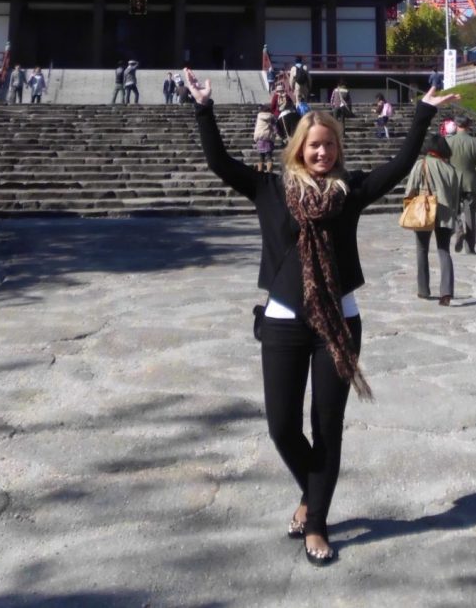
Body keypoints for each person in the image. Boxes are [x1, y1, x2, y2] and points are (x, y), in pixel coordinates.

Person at [188, 66, 459, 567]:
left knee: (327, 425)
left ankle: (316, 523)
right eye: (312, 146)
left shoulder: (349, 192)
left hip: (338, 320)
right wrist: (204, 108)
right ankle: (312, 493)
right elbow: (219, 162)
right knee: (282, 426)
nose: (320, 153)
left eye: (328, 147)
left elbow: (399, 166)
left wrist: (422, 112)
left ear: (337, 150)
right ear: (297, 148)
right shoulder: (269, 189)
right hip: (284, 320)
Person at [405, 134, 460, 305]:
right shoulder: (450, 169)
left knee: (422, 250)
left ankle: (423, 289)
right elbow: (455, 197)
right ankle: (446, 291)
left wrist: (408, 205)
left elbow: (410, 190)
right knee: (444, 251)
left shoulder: (420, 165)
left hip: (424, 212)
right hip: (444, 213)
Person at [449, 116, 476, 255]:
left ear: (456, 125)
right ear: (468, 125)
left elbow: (445, 163)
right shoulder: (475, 143)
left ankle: (459, 229)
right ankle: (470, 247)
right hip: (470, 182)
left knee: (453, 210)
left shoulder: (449, 141)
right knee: (470, 215)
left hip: (453, 181)